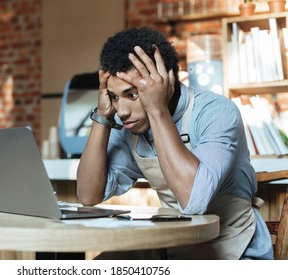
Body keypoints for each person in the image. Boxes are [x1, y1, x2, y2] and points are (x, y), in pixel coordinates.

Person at [76, 27, 273, 259]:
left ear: (166, 80)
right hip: (173, 244)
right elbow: (88, 196)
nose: (123, 111)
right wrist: (102, 117)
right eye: (115, 97)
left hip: (234, 246)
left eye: (133, 94)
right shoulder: (130, 124)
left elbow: (193, 201)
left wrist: (157, 109)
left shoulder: (216, 112)